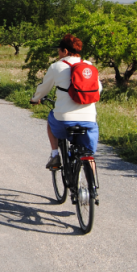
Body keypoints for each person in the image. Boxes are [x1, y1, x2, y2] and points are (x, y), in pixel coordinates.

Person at [30, 34, 102, 170]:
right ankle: (92, 187)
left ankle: (55, 155)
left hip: (64, 119)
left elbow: (43, 88)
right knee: (88, 154)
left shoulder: (56, 66)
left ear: (65, 51)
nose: (58, 53)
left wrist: (35, 99)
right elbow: (98, 89)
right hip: (89, 119)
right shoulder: (88, 66)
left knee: (51, 119)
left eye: (59, 50)